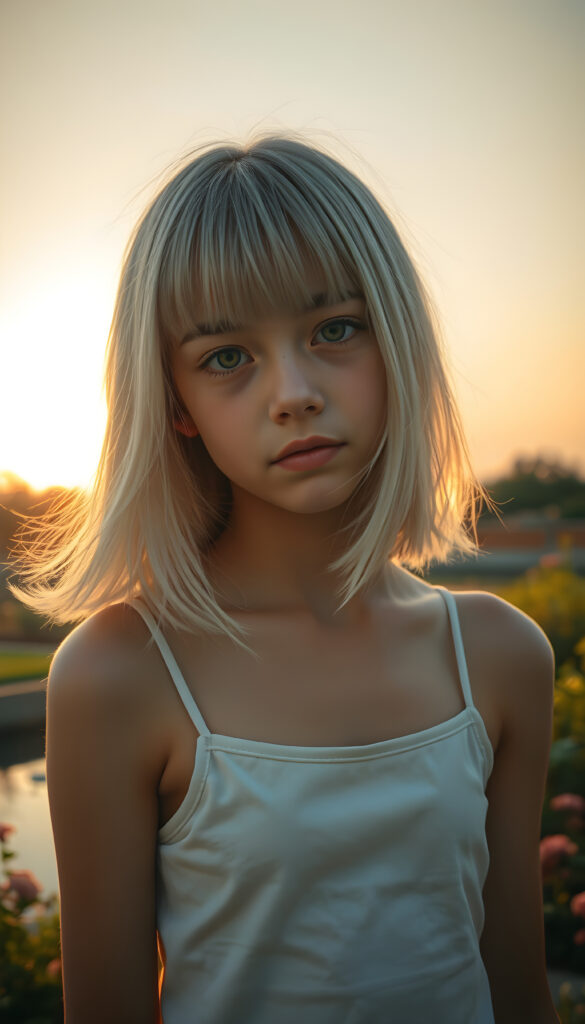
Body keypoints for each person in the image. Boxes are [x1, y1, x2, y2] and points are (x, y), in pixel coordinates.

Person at [15, 133, 558, 1022]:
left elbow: (515, 984)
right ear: (177, 405)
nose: (294, 391)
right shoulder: (121, 673)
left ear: (398, 342)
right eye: (226, 356)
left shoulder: (498, 656)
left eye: (335, 329)